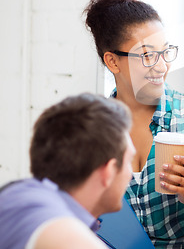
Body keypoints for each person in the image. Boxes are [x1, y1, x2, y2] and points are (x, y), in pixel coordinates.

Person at [83, 0, 184, 248]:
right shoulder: (91, 132)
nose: (162, 66)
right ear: (112, 62)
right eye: (147, 55)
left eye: (165, 52)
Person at [0, 93, 135, 249]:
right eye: (128, 161)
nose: (130, 174)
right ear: (109, 171)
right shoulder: (49, 221)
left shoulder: (19, 193)